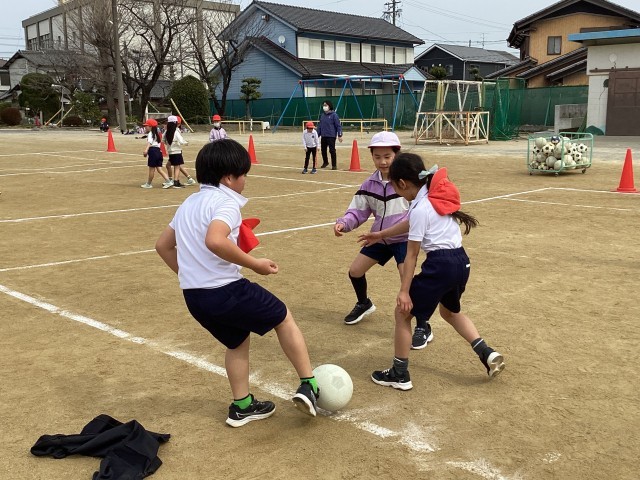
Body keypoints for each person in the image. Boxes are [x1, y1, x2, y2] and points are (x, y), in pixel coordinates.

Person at [155, 138, 320, 427]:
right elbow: (215, 240)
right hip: (226, 290)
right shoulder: (226, 203)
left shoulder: (189, 202)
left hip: (195, 297)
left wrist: (189, 275)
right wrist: (255, 264)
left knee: (237, 342)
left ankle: (242, 406)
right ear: (229, 178)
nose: (245, 181)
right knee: (283, 318)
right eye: (243, 175)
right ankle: (309, 384)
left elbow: (163, 246)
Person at [370, 153, 505, 390]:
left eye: (394, 186)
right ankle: (487, 352)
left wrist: (404, 291)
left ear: (402, 183)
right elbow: (411, 223)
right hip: (461, 262)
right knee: (450, 313)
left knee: (402, 314)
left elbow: (411, 255)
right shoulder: (434, 196)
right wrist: (382, 234)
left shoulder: (421, 207)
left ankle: (399, 374)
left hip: (440, 265)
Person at [334, 131, 411, 327]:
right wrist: (344, 223)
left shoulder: (408, 182)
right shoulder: (369, 184)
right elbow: (358, 210)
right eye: (377, 157)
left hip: (404, 239)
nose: (382, 162)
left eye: (387, 156)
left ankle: (422, 323)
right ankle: (364, 303)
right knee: (355, 271)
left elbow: (419, 211)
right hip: (379, 238)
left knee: (407, 281)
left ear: (397, 155)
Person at [163, 115, 195, 188]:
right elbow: (181, 141)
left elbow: (163, 140)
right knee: (177, 166)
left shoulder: (166, 132)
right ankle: (176, 182)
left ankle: (172, 180)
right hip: (177, 151)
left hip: (170, 152)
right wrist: (186, 143)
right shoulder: (176, 131)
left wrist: (169, 144)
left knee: (171, 165)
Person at [140, 118, 171, 189]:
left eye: (146, 126)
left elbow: (150, 142)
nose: (145, 127)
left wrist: (146, 150)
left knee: (151, 169)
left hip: (153, 152)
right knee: (159, 169)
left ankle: (148, 184)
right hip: (159, 152)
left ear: (150, 126)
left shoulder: (150, 134)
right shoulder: (157, 134)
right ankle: (168, 181)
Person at [317, 100, 343, 170]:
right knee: (323, 150)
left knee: (332, 150)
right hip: (324, 135)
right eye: (323, 105)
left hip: (331, 136)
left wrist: (340, 135)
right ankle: (325, 162)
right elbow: (320, 126)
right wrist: (317, 135)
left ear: (329, 106)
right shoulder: (322, 115)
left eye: (325, 105)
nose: (324, 107)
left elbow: (338, 126)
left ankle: (334, 165)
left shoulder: (334, 115)